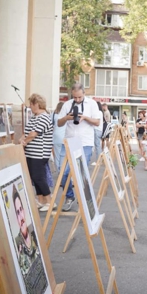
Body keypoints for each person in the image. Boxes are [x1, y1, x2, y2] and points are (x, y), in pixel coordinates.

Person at [58, 83, 101, 211]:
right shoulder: (67, 105)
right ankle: (70, 197)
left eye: (79, 97)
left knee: (81, 172)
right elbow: (59, 123)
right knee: (63, 173)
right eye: (75, 97)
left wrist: (85, 118)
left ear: (84, 94)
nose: (77, 100)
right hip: (69, 142)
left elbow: (97, 122)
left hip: (85, 143)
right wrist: (66, 117)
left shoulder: (92, 104)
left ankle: (85, 200)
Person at [20, 93, 55, 211]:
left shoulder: (44, 117)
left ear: (37, 104)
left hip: (39, 153)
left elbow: (34, 134)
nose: (30, 106)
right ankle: (40, 200)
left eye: (31, 104)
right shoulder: (34, 117)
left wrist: (24, 142)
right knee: (34, 177)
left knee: (38, 177)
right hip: (30, 153)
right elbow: (27, 131)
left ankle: (49, 201)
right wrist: (22, 139)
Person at [13, 188, 40, 274]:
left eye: (21, 210)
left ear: (24, 211)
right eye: (17, 213)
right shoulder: (18, 244)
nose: (21, 216)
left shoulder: (33, 233)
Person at [52, 102, 66, 172]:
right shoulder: (66, 116)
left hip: (56, 137)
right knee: (64, 156)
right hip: (65, 137)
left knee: (57, 157)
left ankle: (59, 172)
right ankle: (63, 172)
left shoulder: (53, 115)